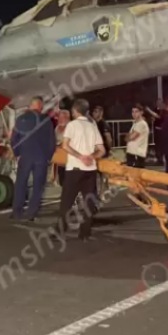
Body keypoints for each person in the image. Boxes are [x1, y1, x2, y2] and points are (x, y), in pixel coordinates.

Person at [58, 98, 105, 241]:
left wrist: (80, 156)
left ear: (74, 111)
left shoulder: (72, 125)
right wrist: (91, 157)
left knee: (66, 202)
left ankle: (61, 231)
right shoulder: (93, 126)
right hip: (90, 170)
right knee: (88, 202)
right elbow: (101, 150)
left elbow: (65, 145)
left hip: (74, 168)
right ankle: (85, 233)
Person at [10, 96, 56, 221]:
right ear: (40, 106)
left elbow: (14, 138)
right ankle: (31, 213)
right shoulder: (47, 120)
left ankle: (17, 211)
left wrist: (17, 153)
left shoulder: (21, 119)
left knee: (21, 184)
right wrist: (48, 156)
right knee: (38, 187)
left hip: (25, 156)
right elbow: (52, 141)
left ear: (31, 105)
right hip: (41, 158)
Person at [125, 104, 150, 168]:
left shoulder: (142, 124)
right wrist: (129, 136)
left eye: (136, 111)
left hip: (137, 154)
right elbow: (127, 138)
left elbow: (131, 137)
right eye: (133, 111)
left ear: (141, 112)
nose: (134, 114)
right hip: (132, 153)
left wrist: (129, 136)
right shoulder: (135, 123)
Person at [147, 99, 168, 166]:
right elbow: (155, 117)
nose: (158, 104)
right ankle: (159, 159)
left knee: (162, 145)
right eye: (157, 103)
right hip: (156, 129)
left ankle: (162, 160)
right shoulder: (156, 109)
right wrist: (152, 119)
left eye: (159, 103)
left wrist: (149, 110)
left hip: (162, 130)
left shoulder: (165, 111)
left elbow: (158, 116)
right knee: (157, 145)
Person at [53, 109, 70, 187]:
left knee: (69, 181)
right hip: (60, 160)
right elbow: (54, 141)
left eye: (62, 117)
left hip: (69, 160)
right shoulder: (57, 128)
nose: (60, 119)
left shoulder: (71, 128)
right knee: (62, 181)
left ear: (67, 118)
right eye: (59, 117)